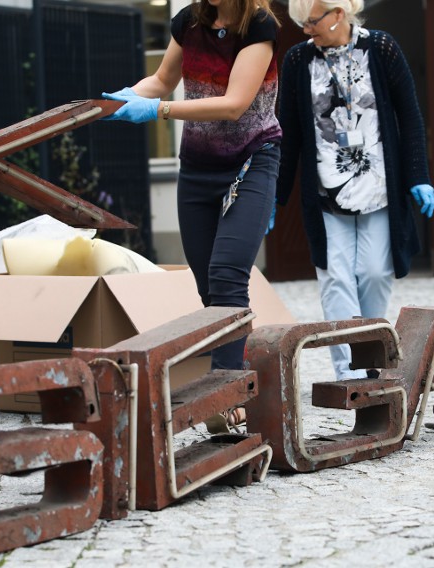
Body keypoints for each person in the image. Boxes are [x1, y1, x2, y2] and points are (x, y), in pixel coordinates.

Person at [101, 0, 282, 431]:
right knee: (207, 286)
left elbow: (235, 104)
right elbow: (163, 79)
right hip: (199, 167)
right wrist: (128, 97)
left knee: (226, 274)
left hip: (251, 159)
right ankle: (236, 377)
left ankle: (227, 392)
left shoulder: (258, 26)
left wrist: (159, 110)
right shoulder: (189, 20)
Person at [275, 0, 434, 379]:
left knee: (376, 272)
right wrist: (275, 194)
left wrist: (418, 176)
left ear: (338, 15)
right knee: (336, 277)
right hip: (326, 193)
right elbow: (289, 132)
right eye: (301, 22)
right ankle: (349, 374)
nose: (305, 30)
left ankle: (372, 354)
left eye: (312, 21)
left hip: (379, 186)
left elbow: (409, 116)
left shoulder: (380, 48)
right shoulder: (299, 61)